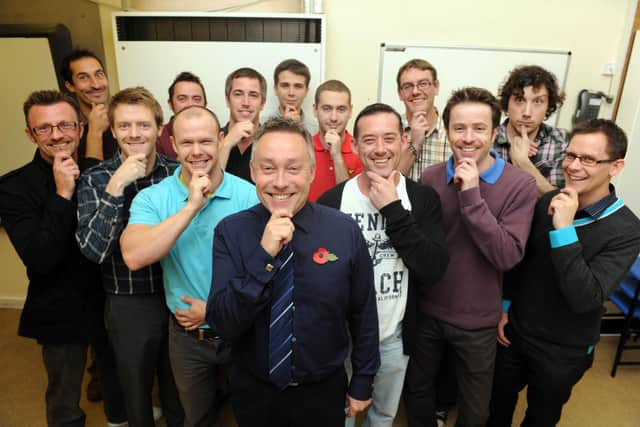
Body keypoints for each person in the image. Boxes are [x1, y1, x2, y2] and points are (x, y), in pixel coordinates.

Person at [206, 117, 380, 427]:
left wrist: (363, 379)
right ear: (253, 172)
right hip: (255, 392)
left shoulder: (344, 231)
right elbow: (223, 323)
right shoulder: (230, 233)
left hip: (323, 393)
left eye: (294, 168)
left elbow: (363, 313)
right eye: (269, 168)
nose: (281, 181)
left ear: (312, 172)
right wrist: (264, 255)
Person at [488, 119, 640, 427]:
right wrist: (505, 308)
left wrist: (565, 229)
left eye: (588, 159)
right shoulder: (548, 201)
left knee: (541, 417)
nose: (573, 166)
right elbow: (522, 263)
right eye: (570, 156)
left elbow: (586, 297)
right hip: (516, 331)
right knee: (497, 405)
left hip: (564, 349)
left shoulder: (627, 229)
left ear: (615, 166)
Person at [406, 87, 538, 427]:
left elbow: (507, 255)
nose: (468, 138)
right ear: (447, 130)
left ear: (495, 132)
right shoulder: (432, 176)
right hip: (428, 310)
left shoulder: (519, 184)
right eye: (459, 128)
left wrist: (471, 193)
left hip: (478, 320)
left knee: (476, 405)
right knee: (419, 389)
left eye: (479, 128)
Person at [120, 105, 259, 427]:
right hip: (187, 339)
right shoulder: (152, 199)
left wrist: (214, 310)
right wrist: (192, 206)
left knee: (251, 414)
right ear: (172, 143)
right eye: (187, 143)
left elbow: (266, 270)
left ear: (220, 140)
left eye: (206, 141)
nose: (197, 151)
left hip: (243, 332)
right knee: (196, 417)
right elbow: (134, 256)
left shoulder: (250, 196)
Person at [317, 103, 448, 427]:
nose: (380, 149)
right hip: (341, 337)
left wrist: (392, 208)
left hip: (394, 335)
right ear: (356, 145)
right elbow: (321, 271)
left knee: (383, 415)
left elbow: (432, 268)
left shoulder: (422, 199)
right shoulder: (332, 202)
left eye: (389, 138)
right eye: (370, 140)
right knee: (341, 414)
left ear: (404, 140)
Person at [0, 90, 124, 426]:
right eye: (45, 128)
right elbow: (39, 258)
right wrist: (62, 193)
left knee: (117, 381)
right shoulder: (13, 188)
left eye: (65, 125)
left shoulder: (102, 173)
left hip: (109, 298)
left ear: (81, 128)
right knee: (64, 396)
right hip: (59, 305)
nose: (57, 135)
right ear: (30, 134)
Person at [75, 87, 183, 427]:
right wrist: (116, 187)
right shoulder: (97, 179)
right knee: (135, 390)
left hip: (177, 293)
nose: (134, 134)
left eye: (143, 125)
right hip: (129, 300)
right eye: (124, 126)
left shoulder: (178, 173)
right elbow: (94, 250)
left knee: (178, 388)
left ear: (159, 128)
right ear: (113, 130)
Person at [493, 65, 569, 194]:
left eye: (538, 101)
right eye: (519, 100)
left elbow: (558, 204)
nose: (527, 113)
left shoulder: (561, 140)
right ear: (507, 103)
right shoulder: (488, 138)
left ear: (548, 106)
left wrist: (523, 163)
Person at [395, 59, 451, 182]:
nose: (415, 91)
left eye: (423, 84)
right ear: (400, 93)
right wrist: (414, 143)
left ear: (436, 87)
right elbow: (387, 184)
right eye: (407, 86)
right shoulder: (391, 132)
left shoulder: (453, 133)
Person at [308, 79, 362, 201]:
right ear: (315, 110)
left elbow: (351, 203)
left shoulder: (361, 150)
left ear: (350, 111)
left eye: (341, 109)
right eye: (327, 109)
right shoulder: (304, 148)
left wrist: (337, 155)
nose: (333, 118)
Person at [61, 49, 118, 161]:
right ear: (70, 86)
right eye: (83, 77)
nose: (96, 85)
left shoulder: (125, 116)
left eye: (99, 74)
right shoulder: (66, 130)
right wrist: (94, 131)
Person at [218, 67, 267, 182]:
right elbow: (207, 189)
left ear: (262, 103)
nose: (246, 103)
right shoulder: (212, 139)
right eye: (238, 94)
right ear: (227, 100)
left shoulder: (271, 140)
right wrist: (226, 144)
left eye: (253, 95)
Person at [156, 71, 208, 159]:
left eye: (196, 99)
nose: (190, 105)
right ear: (170, 104)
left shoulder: (214, 135)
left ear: (205, 104)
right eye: (182, 99)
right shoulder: (158, 138)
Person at [266, 58, 318, 135]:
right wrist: (285, 125)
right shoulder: (261, 125)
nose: (291, 93)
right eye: (285, 86)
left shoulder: (316, 129)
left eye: (298, 86)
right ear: (275, 89)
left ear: (306, 92)